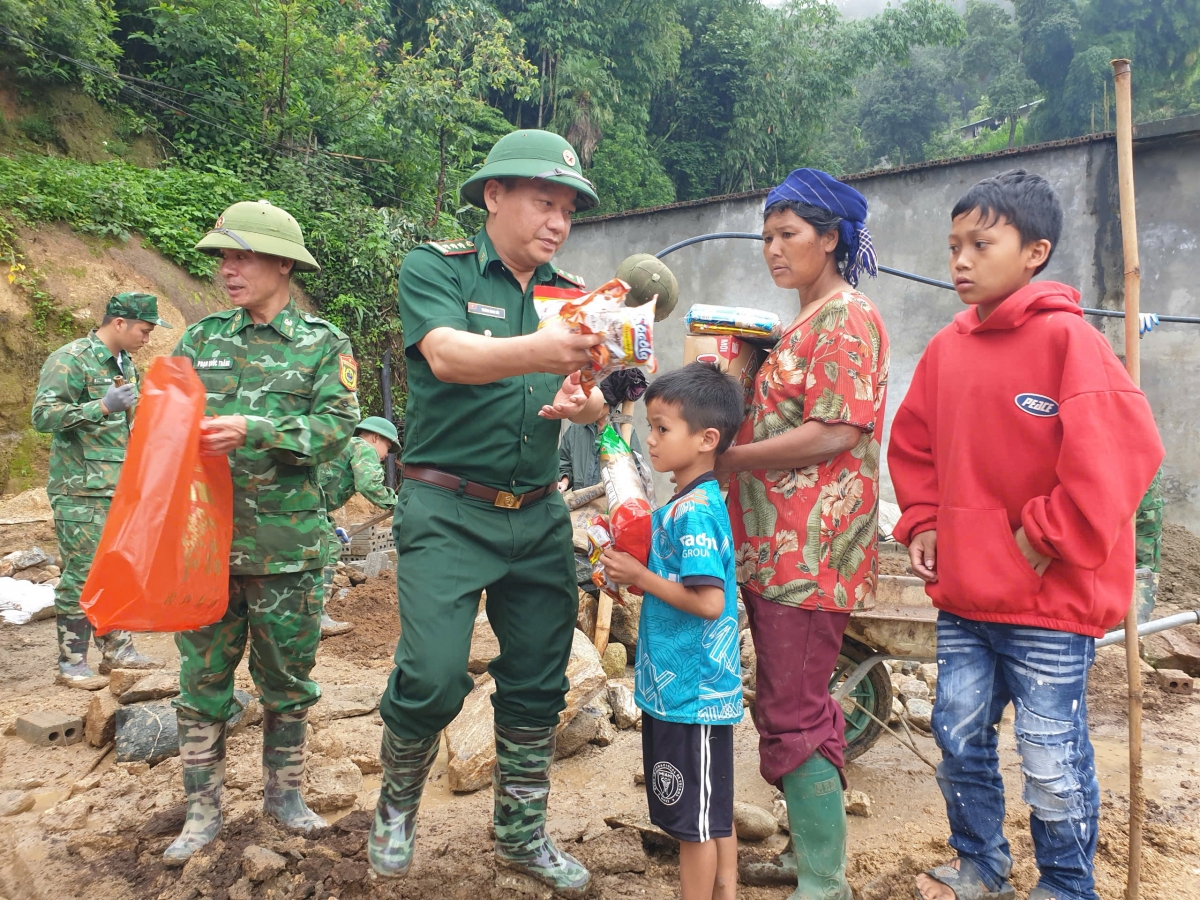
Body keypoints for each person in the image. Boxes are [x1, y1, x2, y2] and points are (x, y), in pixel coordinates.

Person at [888, 170, 1163, 900]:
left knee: (1050, 752)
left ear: (1035, 251)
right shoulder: (948, 349)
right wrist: (920, 520)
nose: (961, 260)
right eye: (954, 245)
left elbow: (1122, 457)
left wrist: (1043, 536)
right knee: (958, 739)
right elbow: (912, 445)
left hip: (1050, 601)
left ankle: (1068, 886)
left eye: (981, 243)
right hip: (966, 601)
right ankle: (980, 866)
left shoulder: (1069, 342)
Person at [367, 129, 607, 896]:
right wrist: (543, 350)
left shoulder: (571, 294)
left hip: (538, 513)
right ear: (494, 195)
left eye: (568, 209)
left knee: (539, 680)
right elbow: (447, 355)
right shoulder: (434, 268)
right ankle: (397, 805)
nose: (558, 221)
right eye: (545, 201)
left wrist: (585, 400)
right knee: (435, 676)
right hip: (446, 505)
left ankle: (521, 833)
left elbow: (594, 401)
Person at [164, 199, 360, 865]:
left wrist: (259, 430)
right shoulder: (199, 341)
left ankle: (284, 796)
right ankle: (202, 810)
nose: (227, 268)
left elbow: (335, 432)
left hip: (287, 552)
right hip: (207, 550)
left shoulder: (323, 345)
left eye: (241, 255)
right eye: (221, 256)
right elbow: (165, 429)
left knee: (288, 682)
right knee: (202, 682)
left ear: (282, 262)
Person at [715, 168, 889, 900]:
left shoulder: (847, 317)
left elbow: (836, 431)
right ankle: (805, 857)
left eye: (788, 235)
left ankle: (825, 881)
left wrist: (731, 458)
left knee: (797, 708)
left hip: (811, 554)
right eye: (766, 237)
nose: (773, 249)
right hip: (775, 551)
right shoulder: (799, 323)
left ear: (831, 238)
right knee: (786, 701)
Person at [599, 362, 745, 900]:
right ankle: (726, 891)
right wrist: (634, 576)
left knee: (693, 824)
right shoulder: (684, 501)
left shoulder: (696, 513)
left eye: (663, 429)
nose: (653, 441)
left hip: (695, 690)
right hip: (680, 686)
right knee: (711, 809)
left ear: (707, 440)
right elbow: (676, 581)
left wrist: (639, 576)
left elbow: (709, 601)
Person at [32, 292, 170, 689]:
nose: (148, 337)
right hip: (80, 489)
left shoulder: (127, 365)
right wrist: (101, 407)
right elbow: (43, 416)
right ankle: (72, 662)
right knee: (82, 574)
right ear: (120, 323)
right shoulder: (71, 359)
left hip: (120, 488)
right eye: (145, 329)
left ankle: (118, 649)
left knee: (117, 570)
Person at [317, 415, 400, 636]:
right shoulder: (363, 447)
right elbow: (368, 484)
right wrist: (398, 503)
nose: (384, 456)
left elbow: (318, 493)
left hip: (306, 504)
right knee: (328, 548)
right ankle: (317, 617)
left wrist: (331, 524)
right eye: (387, 447)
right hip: (307, 505)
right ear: (375, 437)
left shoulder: (345, 447)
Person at [557, 372, 643, 493]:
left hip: (610, 504)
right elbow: (564, 461)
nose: (595, 405)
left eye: (601, 402)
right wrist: (564, 481)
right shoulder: (576, 428)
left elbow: (637, 471)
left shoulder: (625, 431)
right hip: (581, 502)